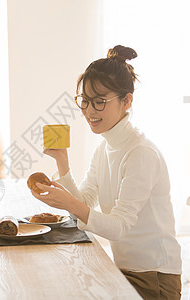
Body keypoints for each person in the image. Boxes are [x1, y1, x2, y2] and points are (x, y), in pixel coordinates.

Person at [31, 45, 182, 299]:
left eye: (100, 101)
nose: (89, 111)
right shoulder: (105, 148)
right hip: (125, 269)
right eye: (85, 101)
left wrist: (70, 202)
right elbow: (85, 202)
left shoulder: (141, 153)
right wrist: (62, 163)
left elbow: (119, 227)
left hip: (154, 279)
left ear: (126, 101)